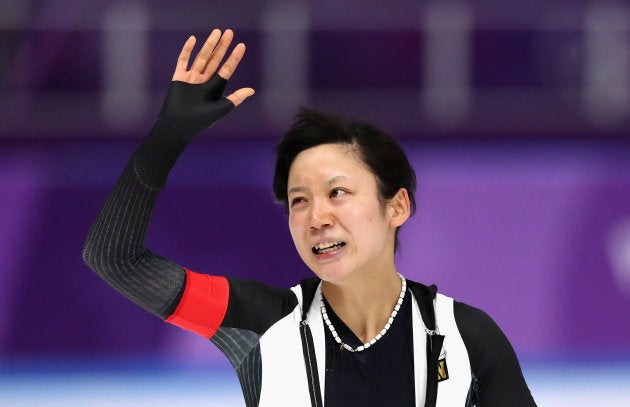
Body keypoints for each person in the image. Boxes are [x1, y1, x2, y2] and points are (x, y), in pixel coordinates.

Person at [83, 29, 536, 407]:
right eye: (298, 201)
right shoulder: (259, 323)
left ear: (396, 207)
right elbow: (113, 257)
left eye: (337, 193)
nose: (316, 216)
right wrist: (170, 133)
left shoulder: (467, 337)